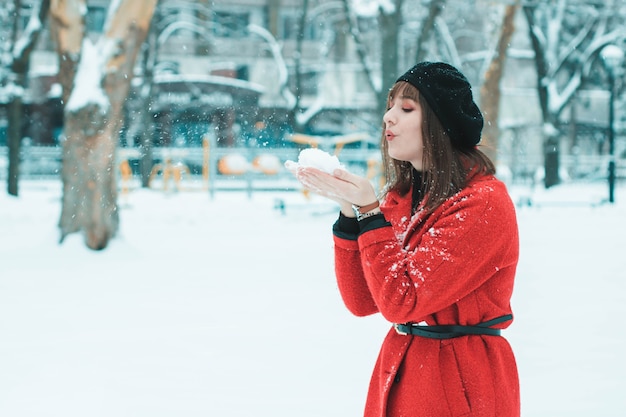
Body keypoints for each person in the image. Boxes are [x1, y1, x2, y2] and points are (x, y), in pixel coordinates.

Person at [291, 62, 520, 417]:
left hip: (462, 381)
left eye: (407, 108)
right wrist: (351, 215)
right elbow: (364, 300)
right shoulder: (402, 197)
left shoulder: (483, 204)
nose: (389, 118)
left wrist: (369, 213)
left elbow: (403, 300)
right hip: (401, 373)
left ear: (440, 124)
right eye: (389, 106)